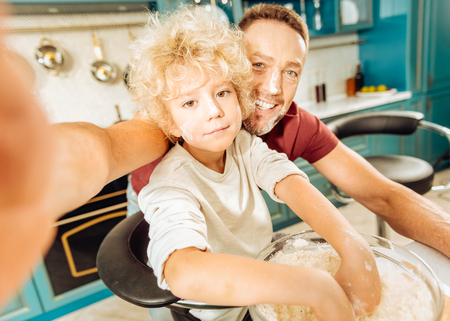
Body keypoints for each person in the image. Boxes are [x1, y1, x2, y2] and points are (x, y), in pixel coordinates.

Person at [0, 0, 449, 309]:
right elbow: (105, 149)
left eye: (290, 71)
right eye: (257, 65)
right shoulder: (170, 135)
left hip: (246, 251)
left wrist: (353, 244)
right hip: (174, 238)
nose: (273, 89)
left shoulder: (283, 128)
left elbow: (384, 196)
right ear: (231, 61)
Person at [130, 7, 380, 321]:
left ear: (240, 96)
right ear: (170, 122)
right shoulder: (169, 186)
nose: (214, 111)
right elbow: (181, 270)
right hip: (218, 315)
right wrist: (316, 287)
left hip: (260, 299)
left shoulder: (244, 146)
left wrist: (352, 245)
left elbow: (287, 180)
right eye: (190, 102)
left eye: (222, 92)